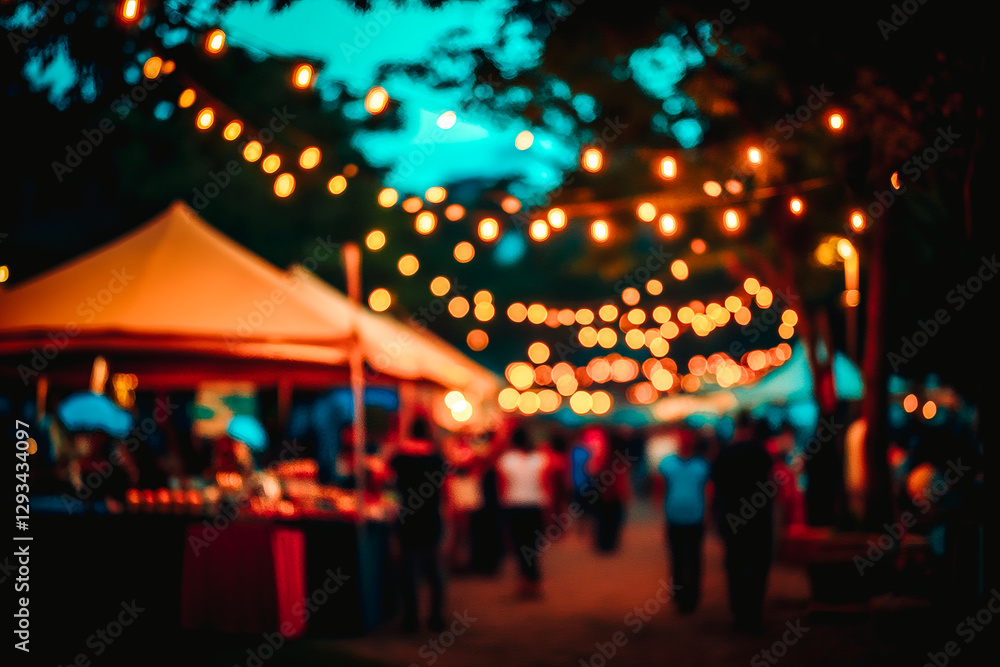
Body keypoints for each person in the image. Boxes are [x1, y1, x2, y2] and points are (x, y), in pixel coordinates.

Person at [712, 414, 774, 632]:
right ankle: (754, 611)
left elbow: (717, 487)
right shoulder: (761, 452)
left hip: (733, 518)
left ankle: (739, 611)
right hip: (759, 520)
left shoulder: (725, 453)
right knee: (758, 567)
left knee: (736, 567)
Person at [389, 417, 446, 631]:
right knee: (434, 569)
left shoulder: (401, 457)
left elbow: (388, 473)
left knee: (409, 569)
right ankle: (436, 616)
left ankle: (411, 618)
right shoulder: (436, 458)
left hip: (408, 516)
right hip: (431, 516)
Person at [657, 429, 711, 613]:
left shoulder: (700, 465)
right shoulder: (670, 464)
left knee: (693, 559)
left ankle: (691, 594)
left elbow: (708, 491)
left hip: (695, 516)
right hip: (676, 517)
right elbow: (661, 488)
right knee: (679, 558)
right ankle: (680, 594)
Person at [496, 427, 549, 598]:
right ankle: (535, 583)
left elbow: (502, 487)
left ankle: (525, 583)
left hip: (514, 507)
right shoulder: (540, 459)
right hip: (536, 506)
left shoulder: (506, 460)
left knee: (519, 547)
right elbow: (546, 484)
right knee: (533, 547)